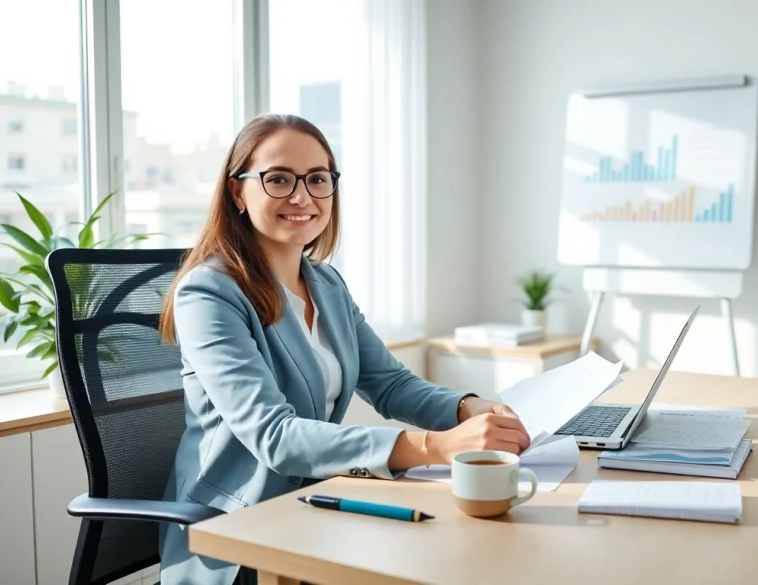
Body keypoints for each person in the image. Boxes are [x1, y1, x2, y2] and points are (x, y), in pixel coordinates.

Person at [156, 113, 531, 585]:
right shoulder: (209, 293)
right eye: (278, 179)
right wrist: (436, 446)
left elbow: (391, 384)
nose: (302, 197)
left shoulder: (327, 284)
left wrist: (467, 409)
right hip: (239, 530)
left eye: (317, 180)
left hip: (318, 503)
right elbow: (276, 437)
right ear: (237, 192)